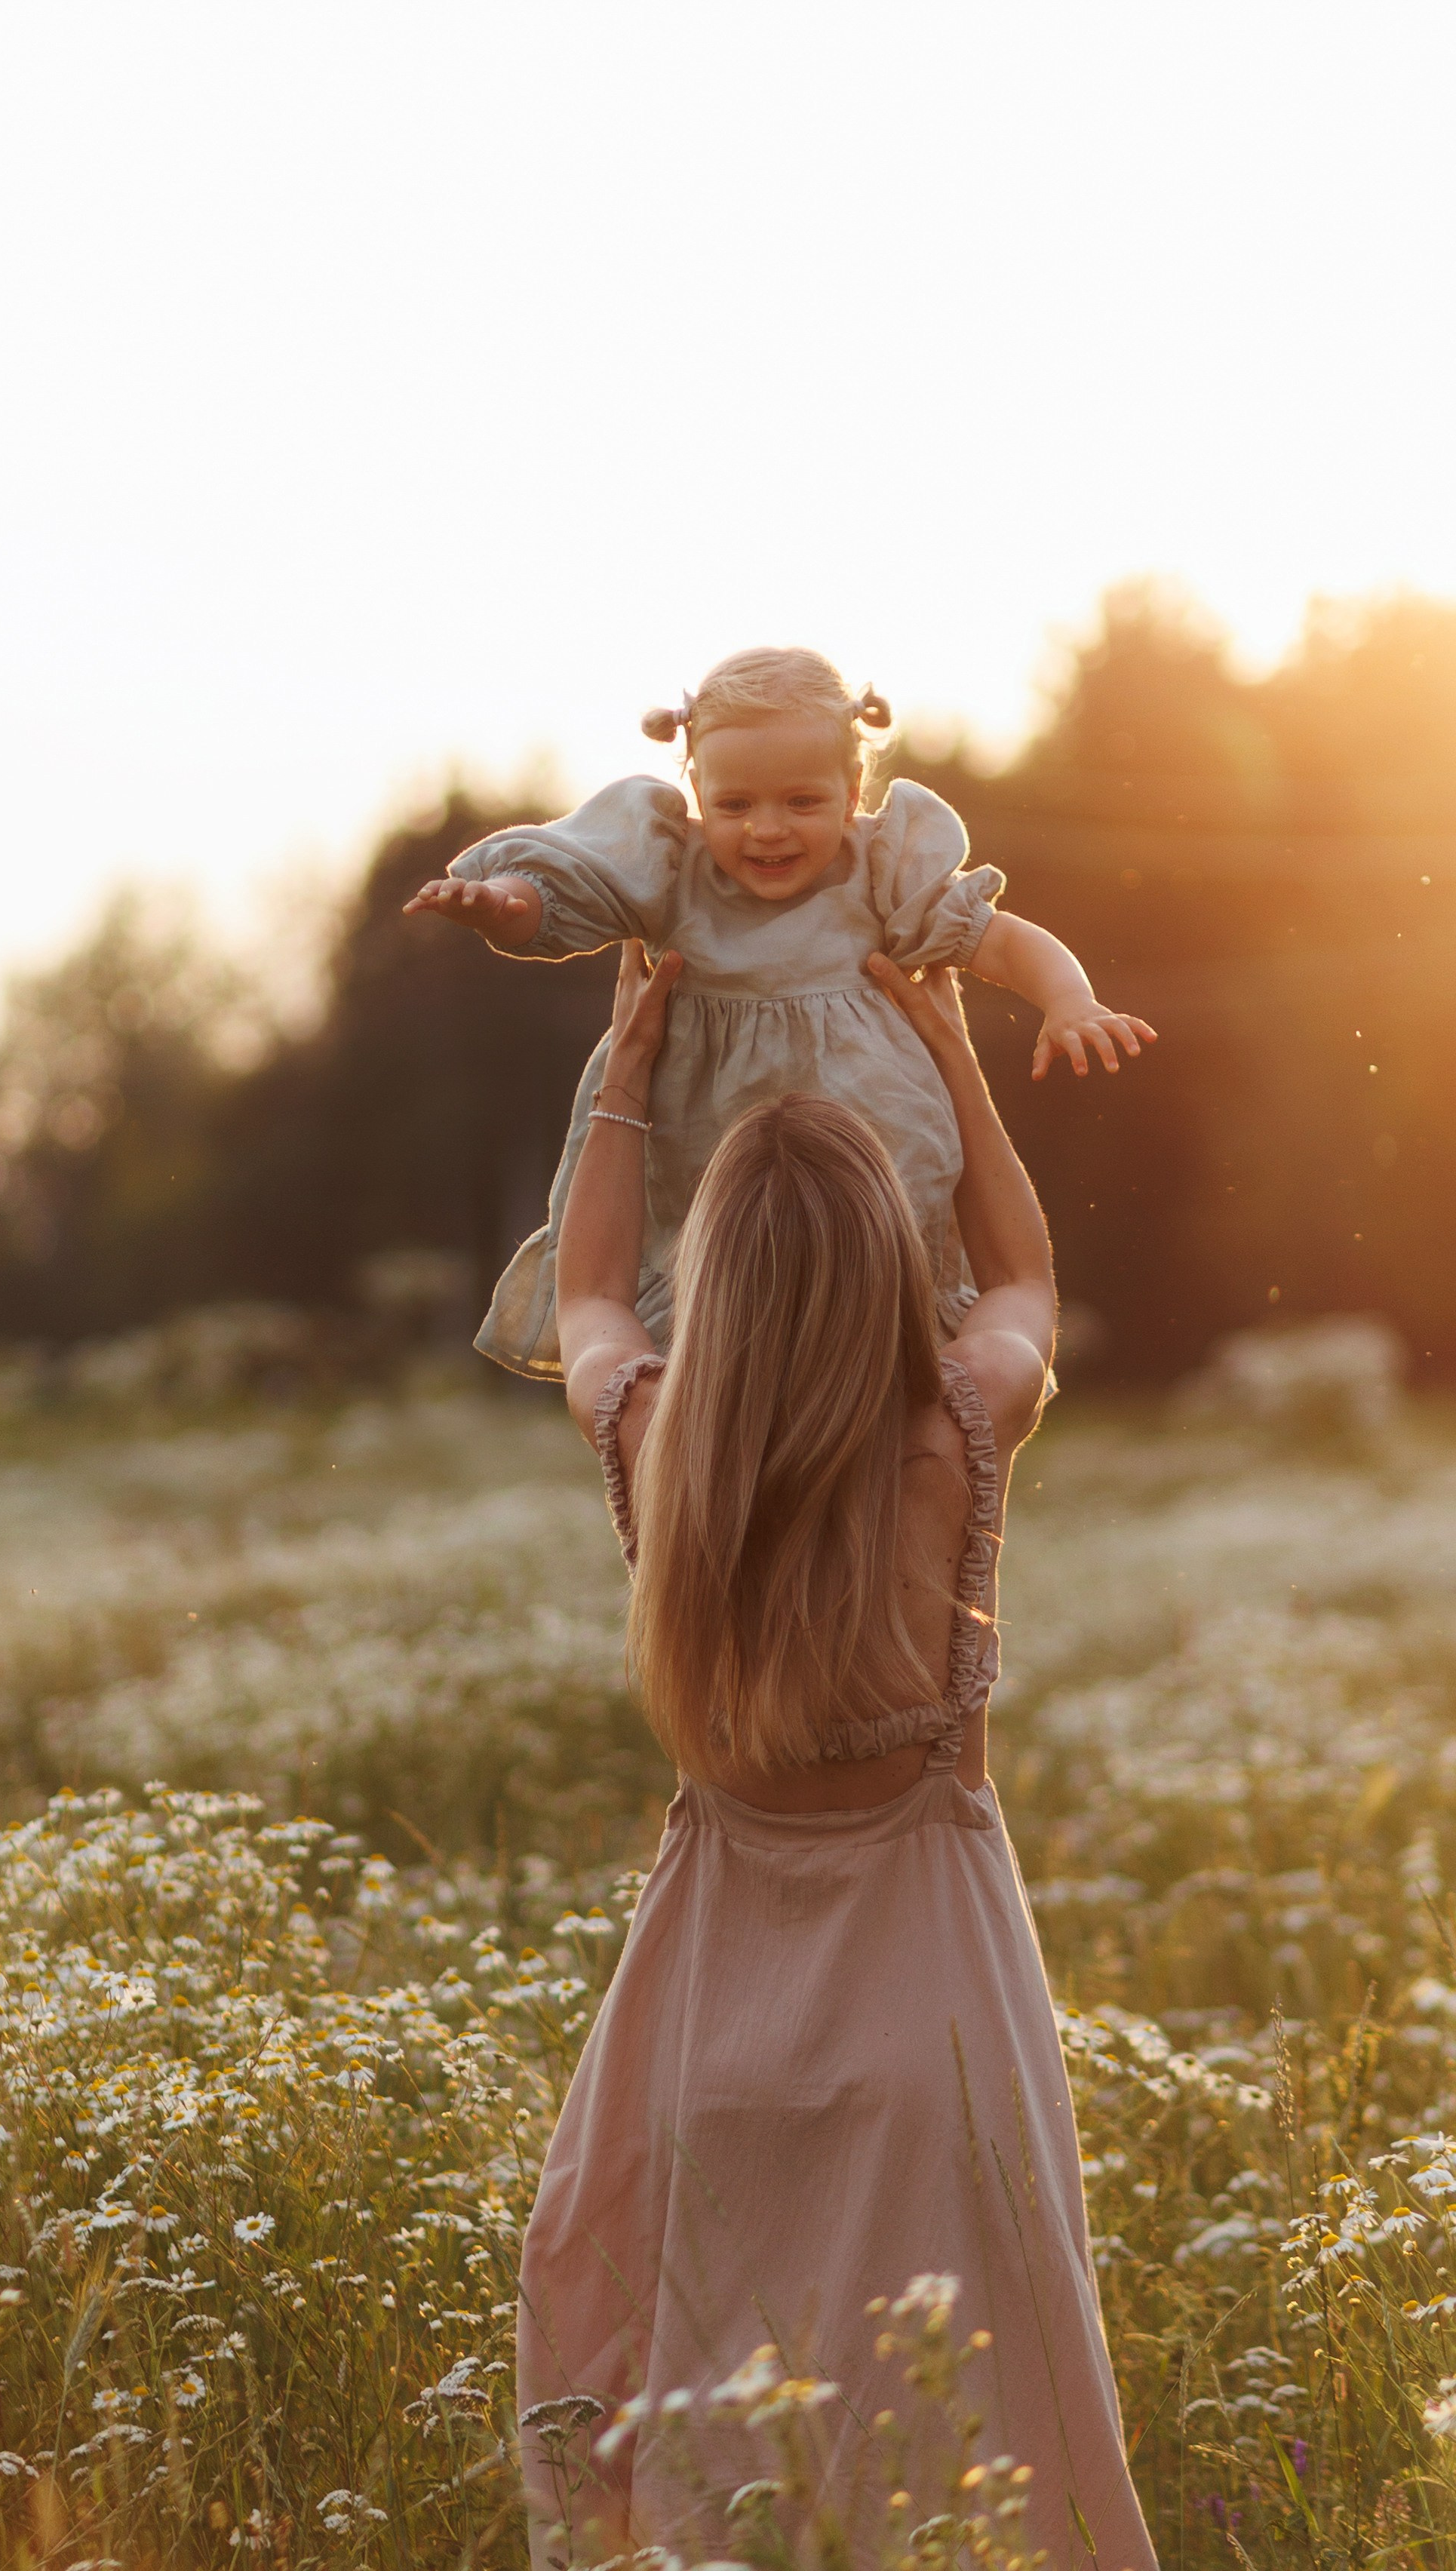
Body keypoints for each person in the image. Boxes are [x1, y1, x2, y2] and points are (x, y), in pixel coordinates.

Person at [514, 938, 1158, 2569]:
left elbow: (584, 1293)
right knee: (957, 2415)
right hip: (930, 1999)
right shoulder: (958, 1428)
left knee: (721, 2411)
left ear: (712, 1279)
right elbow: (1025, 1278)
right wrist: (947, 1048)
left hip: (706, 2004)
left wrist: (627, 1079)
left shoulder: (658, 1440)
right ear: (888, 1254)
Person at [404, 647, 1153, 1377]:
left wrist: (1068, 1000)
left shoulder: (881, 874)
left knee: (884, 1280)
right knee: (716, 1301)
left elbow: (1001, 939)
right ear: (697, 791)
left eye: (802, 801)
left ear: (853, 787)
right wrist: (502, 905)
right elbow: (565, 899)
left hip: (874, 1147)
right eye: (735, 805)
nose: (767, 829)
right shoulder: (669, 872)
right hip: (711, 1155)